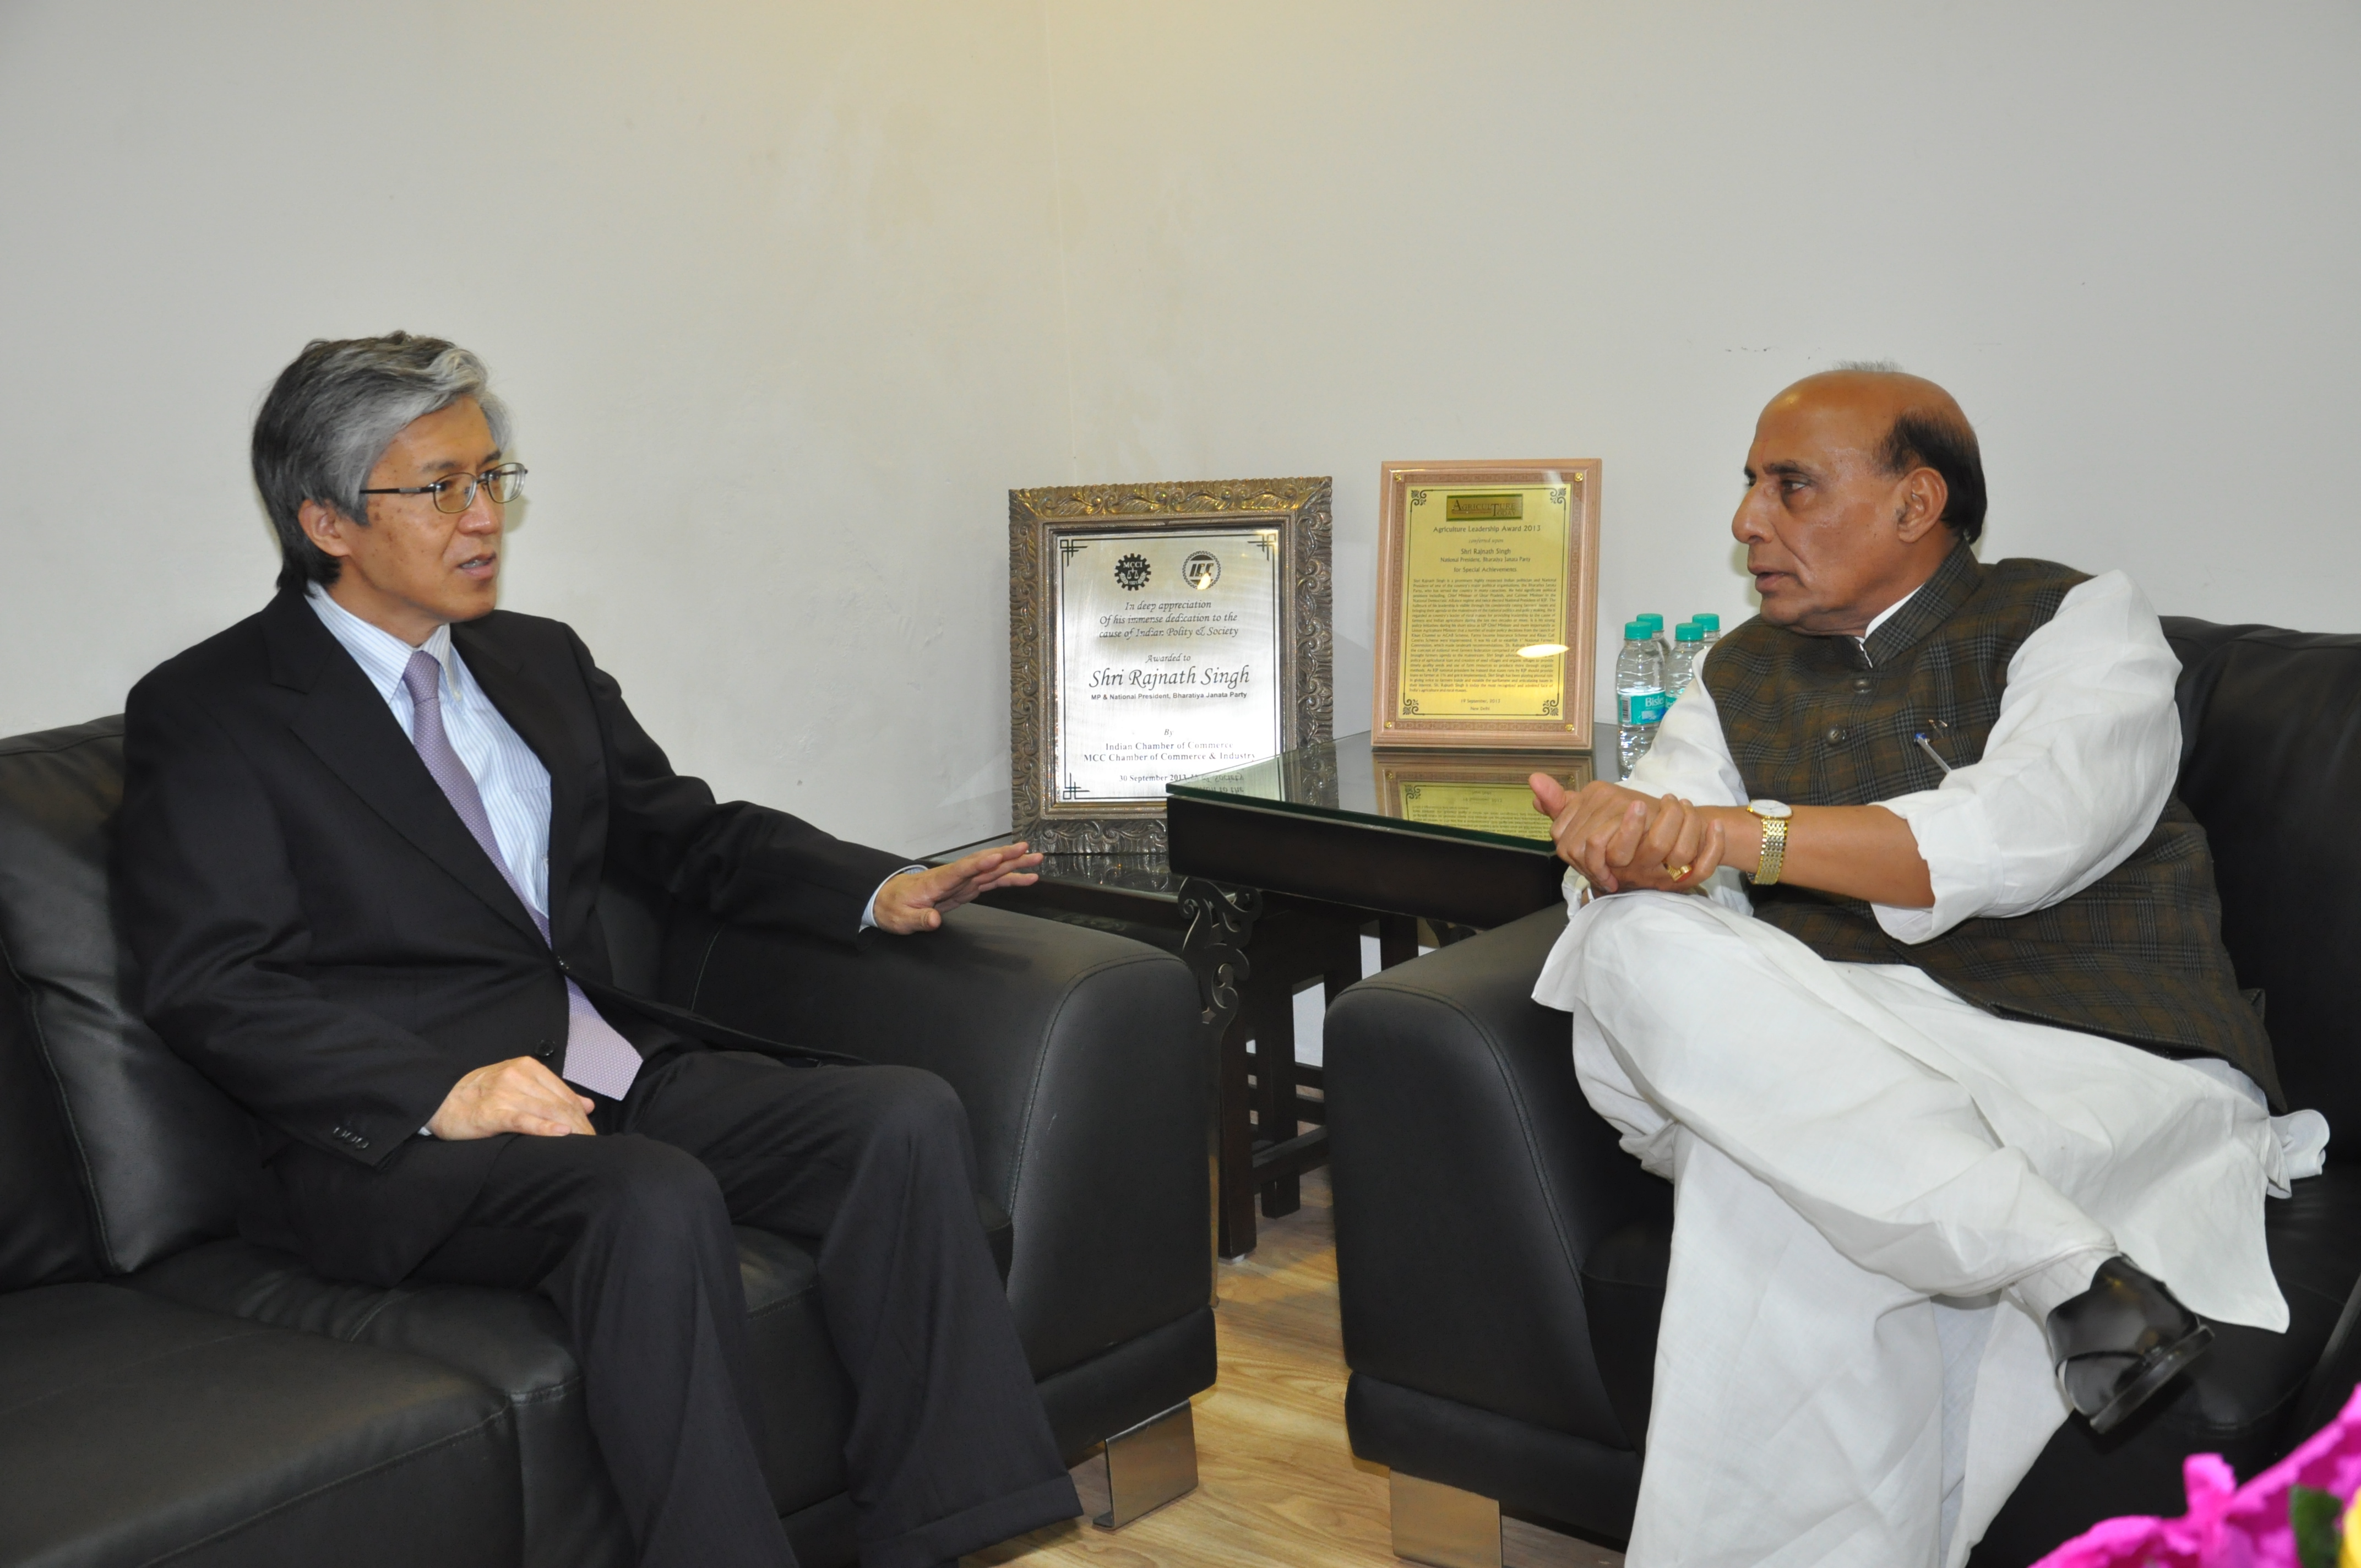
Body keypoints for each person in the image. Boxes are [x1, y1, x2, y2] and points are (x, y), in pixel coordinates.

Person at [115, 333, 1081, 1568]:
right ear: (326, 520)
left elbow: (685, 835)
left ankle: (952, 1527)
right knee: (650, 1193)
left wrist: (878, 885)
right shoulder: (215, 711)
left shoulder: (537, 661)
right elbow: (212, 979)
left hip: (604, 1074)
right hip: (400, 1138)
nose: (484, 518)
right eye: (442, 486)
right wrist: (440, 1090)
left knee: (897, 1120)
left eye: (492, 475)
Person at [1525, 366, 2327, 1567]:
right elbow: (1669, 840)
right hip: (1836, 1052)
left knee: (1782, 1192)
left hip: (2091, 1056)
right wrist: (1622, 843)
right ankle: (2061, 1267)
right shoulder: (1732, 673)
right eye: (1748, 486)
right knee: (1621, 937)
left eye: (1789, 485)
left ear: (1916, 502)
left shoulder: (2077, 621)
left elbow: (2017, 834)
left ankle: (2015, 1241)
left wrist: (1738, 836)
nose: (1747, 520)